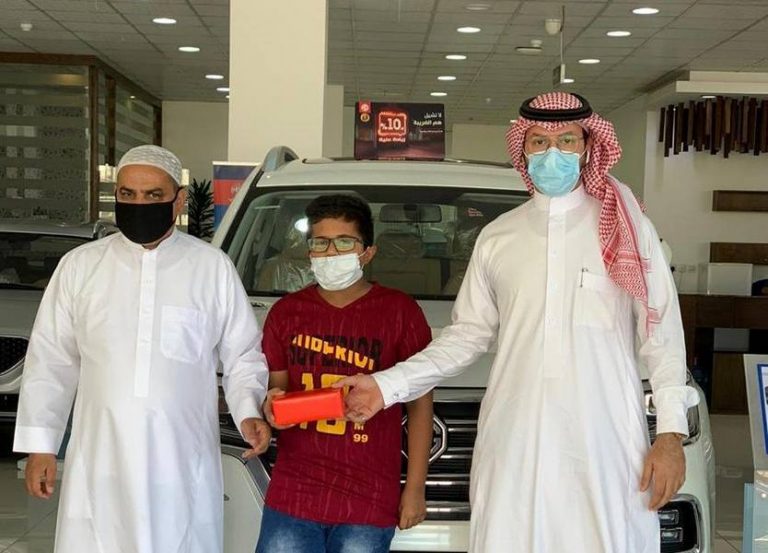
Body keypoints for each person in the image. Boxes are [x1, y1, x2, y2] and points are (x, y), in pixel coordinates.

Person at [337, 92, 700, 552]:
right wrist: (386, 386)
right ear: (523, 150)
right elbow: (466, 337)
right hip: (514, 441)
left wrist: (670, 435)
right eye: (539, 141)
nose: (553, 152)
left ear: (588, 146)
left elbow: (662, 335)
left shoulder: (625, 229)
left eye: (566, 140)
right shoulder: (498, 237)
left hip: (604, 443)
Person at [14, 145, 272, 553]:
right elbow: (51, 360)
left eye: (153, 195)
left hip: (181, 454)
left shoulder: (211, 268)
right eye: (127, 194)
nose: (139, 204)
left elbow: (242, 354)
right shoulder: (80, 266)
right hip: (100, 453)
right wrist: (40, 445)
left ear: (179, 200)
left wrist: (248, 411)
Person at [256, 195, 433, 553]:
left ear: (367, 252)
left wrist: (415, 488)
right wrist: (270, 407)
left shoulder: (400, 312)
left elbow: (420, 406)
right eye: (320, 243)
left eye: (344, 242)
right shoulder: (286, 314)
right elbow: (277, 393)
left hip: (368, 497)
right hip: (294, 493)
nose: (331, 252)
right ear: (309, 251)